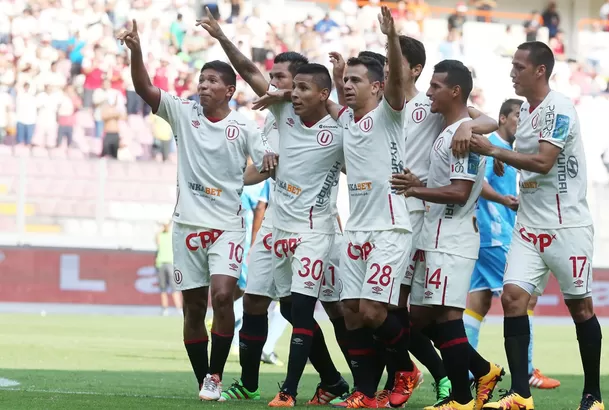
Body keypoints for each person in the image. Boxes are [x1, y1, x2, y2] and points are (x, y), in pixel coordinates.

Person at [331, 36, 498, 408]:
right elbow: (341, 110)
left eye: (395, 63)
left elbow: (483, 117)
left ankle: (435, 380)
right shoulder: (379, 109)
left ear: (416, 69)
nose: (389, 69)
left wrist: (471, 128)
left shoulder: (431, 104)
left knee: (399, 312)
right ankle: (428, 377)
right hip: (391, 214)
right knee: (389, 312)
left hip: (418, 217)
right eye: (386, 65)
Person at [197, 8, 349, 405]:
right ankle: (256, 383)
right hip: (275, 228)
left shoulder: (339, 130)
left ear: (322, 93)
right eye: (290, 87)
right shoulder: (281, 112)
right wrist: (221, 38)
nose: (292, 93)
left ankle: (299, 389)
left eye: (300, 88)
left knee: (311, 311)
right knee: (255, 302)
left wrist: (330, 99)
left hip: (314, 232)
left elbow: (362, 130)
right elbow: (249, 72)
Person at [117, 20, 273, 401]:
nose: (202, 85)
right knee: (191, 307)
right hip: (186, 226)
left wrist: (246, 176)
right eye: (201, 80)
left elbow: (263, 164)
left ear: (229, 91)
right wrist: (136, 50)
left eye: (211, 81)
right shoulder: (183, 114)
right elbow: (144, 89)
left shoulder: (244, 126)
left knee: (222, 296)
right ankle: (203, 376)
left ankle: (216, 376)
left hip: (226, 227)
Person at [470, 42, 602, 410]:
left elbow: (544, 162)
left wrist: (496, 153)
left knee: (581, 309)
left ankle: (593, 394)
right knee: (512, 298)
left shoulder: (559, 107)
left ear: (540, 70)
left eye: (518, 66)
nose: (512, 72)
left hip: (566, 226)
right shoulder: (526, 110)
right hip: (528, 227)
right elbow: (524, 156)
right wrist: (505, 162)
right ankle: (520, 395)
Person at [391, 59, 502, 410]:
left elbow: (458, 191)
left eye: (436, 86)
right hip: (433, 235)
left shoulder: (463, 136)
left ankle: (460, 398)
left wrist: (415, 190)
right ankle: (483, 370)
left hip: (452, 240)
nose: (429, 91)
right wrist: (422, 187)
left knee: (449, 318)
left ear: (455, 91)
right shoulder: (450, 129)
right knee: (417, 321)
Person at [330, 7, 418, 408]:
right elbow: (321, 101)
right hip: (357, 228)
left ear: (378, 87)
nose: (347, 86)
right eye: (345, 80)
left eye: (355, 80)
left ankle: (407, 369)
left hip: (390, 226)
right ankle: (365, 392)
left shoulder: (389, 113)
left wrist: (391, 38)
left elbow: (398, 83)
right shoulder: (347, 120)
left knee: (371, 311)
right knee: (350, 311)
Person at [462, 99, 561, 390]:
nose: (522, 120)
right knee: (525, 297)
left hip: (486, 237)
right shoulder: (489, 145)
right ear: (502, 118)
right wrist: (504, 200)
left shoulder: (505, 150)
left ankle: (467, 369)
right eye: (518, 115)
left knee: (477, 304)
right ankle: (528, 371)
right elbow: (476, 183)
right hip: (495, 235)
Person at [155, 222, 182, 316]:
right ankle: (165, 308)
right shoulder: (160, 235)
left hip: (171, 263)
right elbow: (156, 240)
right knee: (163, 288)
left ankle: (179, 308)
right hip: (161, 263)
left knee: (174, 287)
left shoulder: (172, 234)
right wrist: (160, 229)